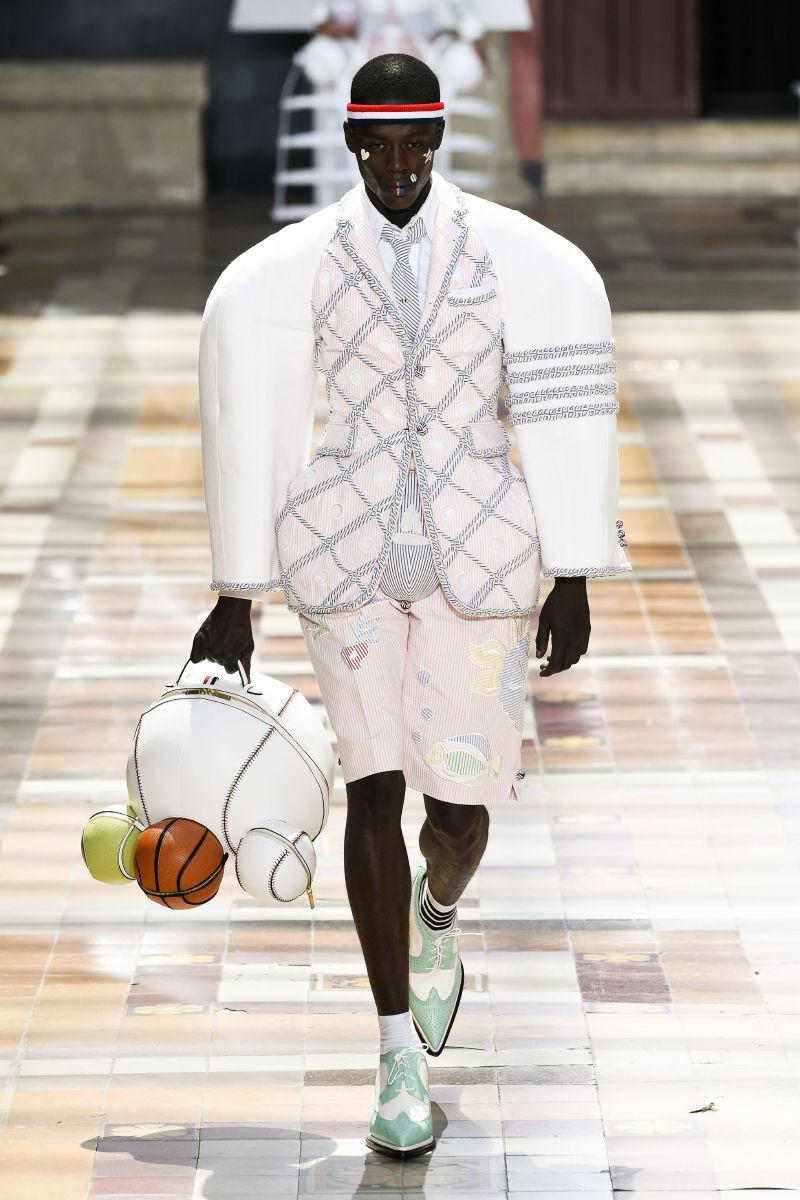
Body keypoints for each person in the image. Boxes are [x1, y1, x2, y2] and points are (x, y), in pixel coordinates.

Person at [191, 52, 629, 1160]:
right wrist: (237, 590)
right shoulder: (295, 266)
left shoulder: (516, 256)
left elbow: (563, 396)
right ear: (351, 143)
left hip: (482, 554)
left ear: (438, 138)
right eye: (377, 146)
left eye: (414, 143)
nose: (397, 165)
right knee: (372, 791)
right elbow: (253, 408)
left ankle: (437, 911)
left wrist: (575, 568)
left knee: (458, 811)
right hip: (342, 553)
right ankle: (395, 1058)